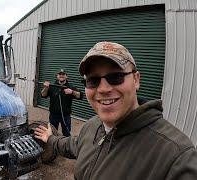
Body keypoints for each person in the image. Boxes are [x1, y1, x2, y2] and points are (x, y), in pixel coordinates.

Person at [35, 41, 197, 179]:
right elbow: (72, 145)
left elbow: (78, 96)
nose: (104, 89)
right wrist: (50, 138)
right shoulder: (91, 127)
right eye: (93, 80)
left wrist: (73, 92)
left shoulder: (176, 157)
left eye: (116, 77)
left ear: (136, 79)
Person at [41, 69, 82, 136]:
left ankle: (66, 145)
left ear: (66, 76)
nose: (61, 76)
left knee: (67, 133)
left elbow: (80, 96)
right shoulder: (52, 86)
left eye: (63, 74)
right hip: (53, 115)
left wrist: (72, 92)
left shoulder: (70, 87)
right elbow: (43, 95)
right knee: (52, 132)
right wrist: (46, 88)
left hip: (66, 116)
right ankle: (53, 144)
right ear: (57, 76)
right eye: (60, 74)